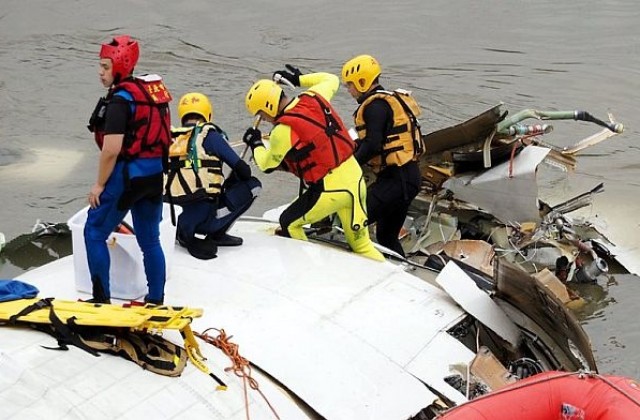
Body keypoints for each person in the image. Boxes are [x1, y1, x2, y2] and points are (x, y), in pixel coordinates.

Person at [242, 66, 384, 262]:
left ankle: (305, 270)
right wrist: (298, 79)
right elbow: (330, 79)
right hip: (355, 180)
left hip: (332, 191)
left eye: (262, 115)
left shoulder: (283, 131)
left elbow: (266, 164)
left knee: (289, 223)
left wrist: (255, 143)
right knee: (362, 245)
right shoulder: (313, 97)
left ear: (267, 107)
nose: (264, 120)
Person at [86, 35, 172, 304]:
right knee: (150, 241)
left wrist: (99, 185)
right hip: (154, 176)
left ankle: (101, 301)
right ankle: (156, 299)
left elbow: (111, 149)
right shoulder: (152, 94)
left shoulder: (120, 101)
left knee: (94, 233)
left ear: (120, 66)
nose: (100, 73)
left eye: (105, 67)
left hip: (127, 178)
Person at [341, 54, 425, 257]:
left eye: (350, 85)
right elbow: (374, 140)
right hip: (408, 178)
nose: (349, 90)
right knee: (387, 237)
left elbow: (372, 145)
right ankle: (402, 268)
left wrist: (348, 166)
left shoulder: (374, 107)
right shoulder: (386, 101)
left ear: (362, 82)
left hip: (397, 181)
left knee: (355, 220)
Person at [165, 92, 262, 259]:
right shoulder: (210, 135)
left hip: (171, 221)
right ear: (207, 114)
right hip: (203, 222)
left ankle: (184, 231)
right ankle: (217, 234)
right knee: (254, 186)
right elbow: (245, 172)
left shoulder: (170, 138)